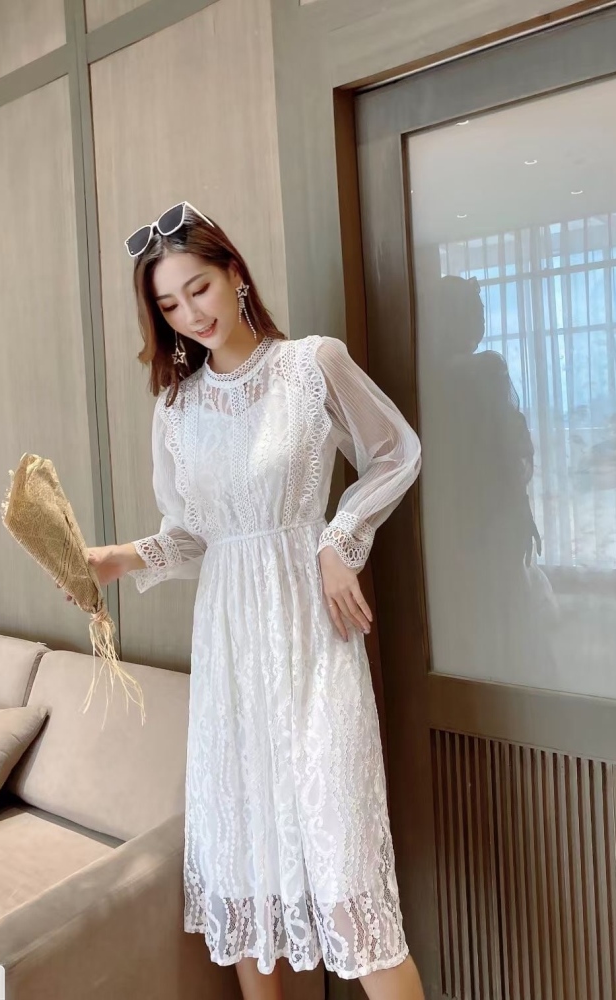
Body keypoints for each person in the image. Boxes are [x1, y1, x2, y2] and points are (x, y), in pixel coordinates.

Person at [84, 202, 424, 1000]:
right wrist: (117, 559)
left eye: (199, 288)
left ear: (235, 273)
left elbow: (392, 451)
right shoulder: (176, 408)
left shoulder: (311, 364)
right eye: (169, 304)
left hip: (311, 639)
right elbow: (193, 534)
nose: (190, 314)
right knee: (243, 875)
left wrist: (338, 541)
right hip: (231, 650)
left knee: (348, 883)